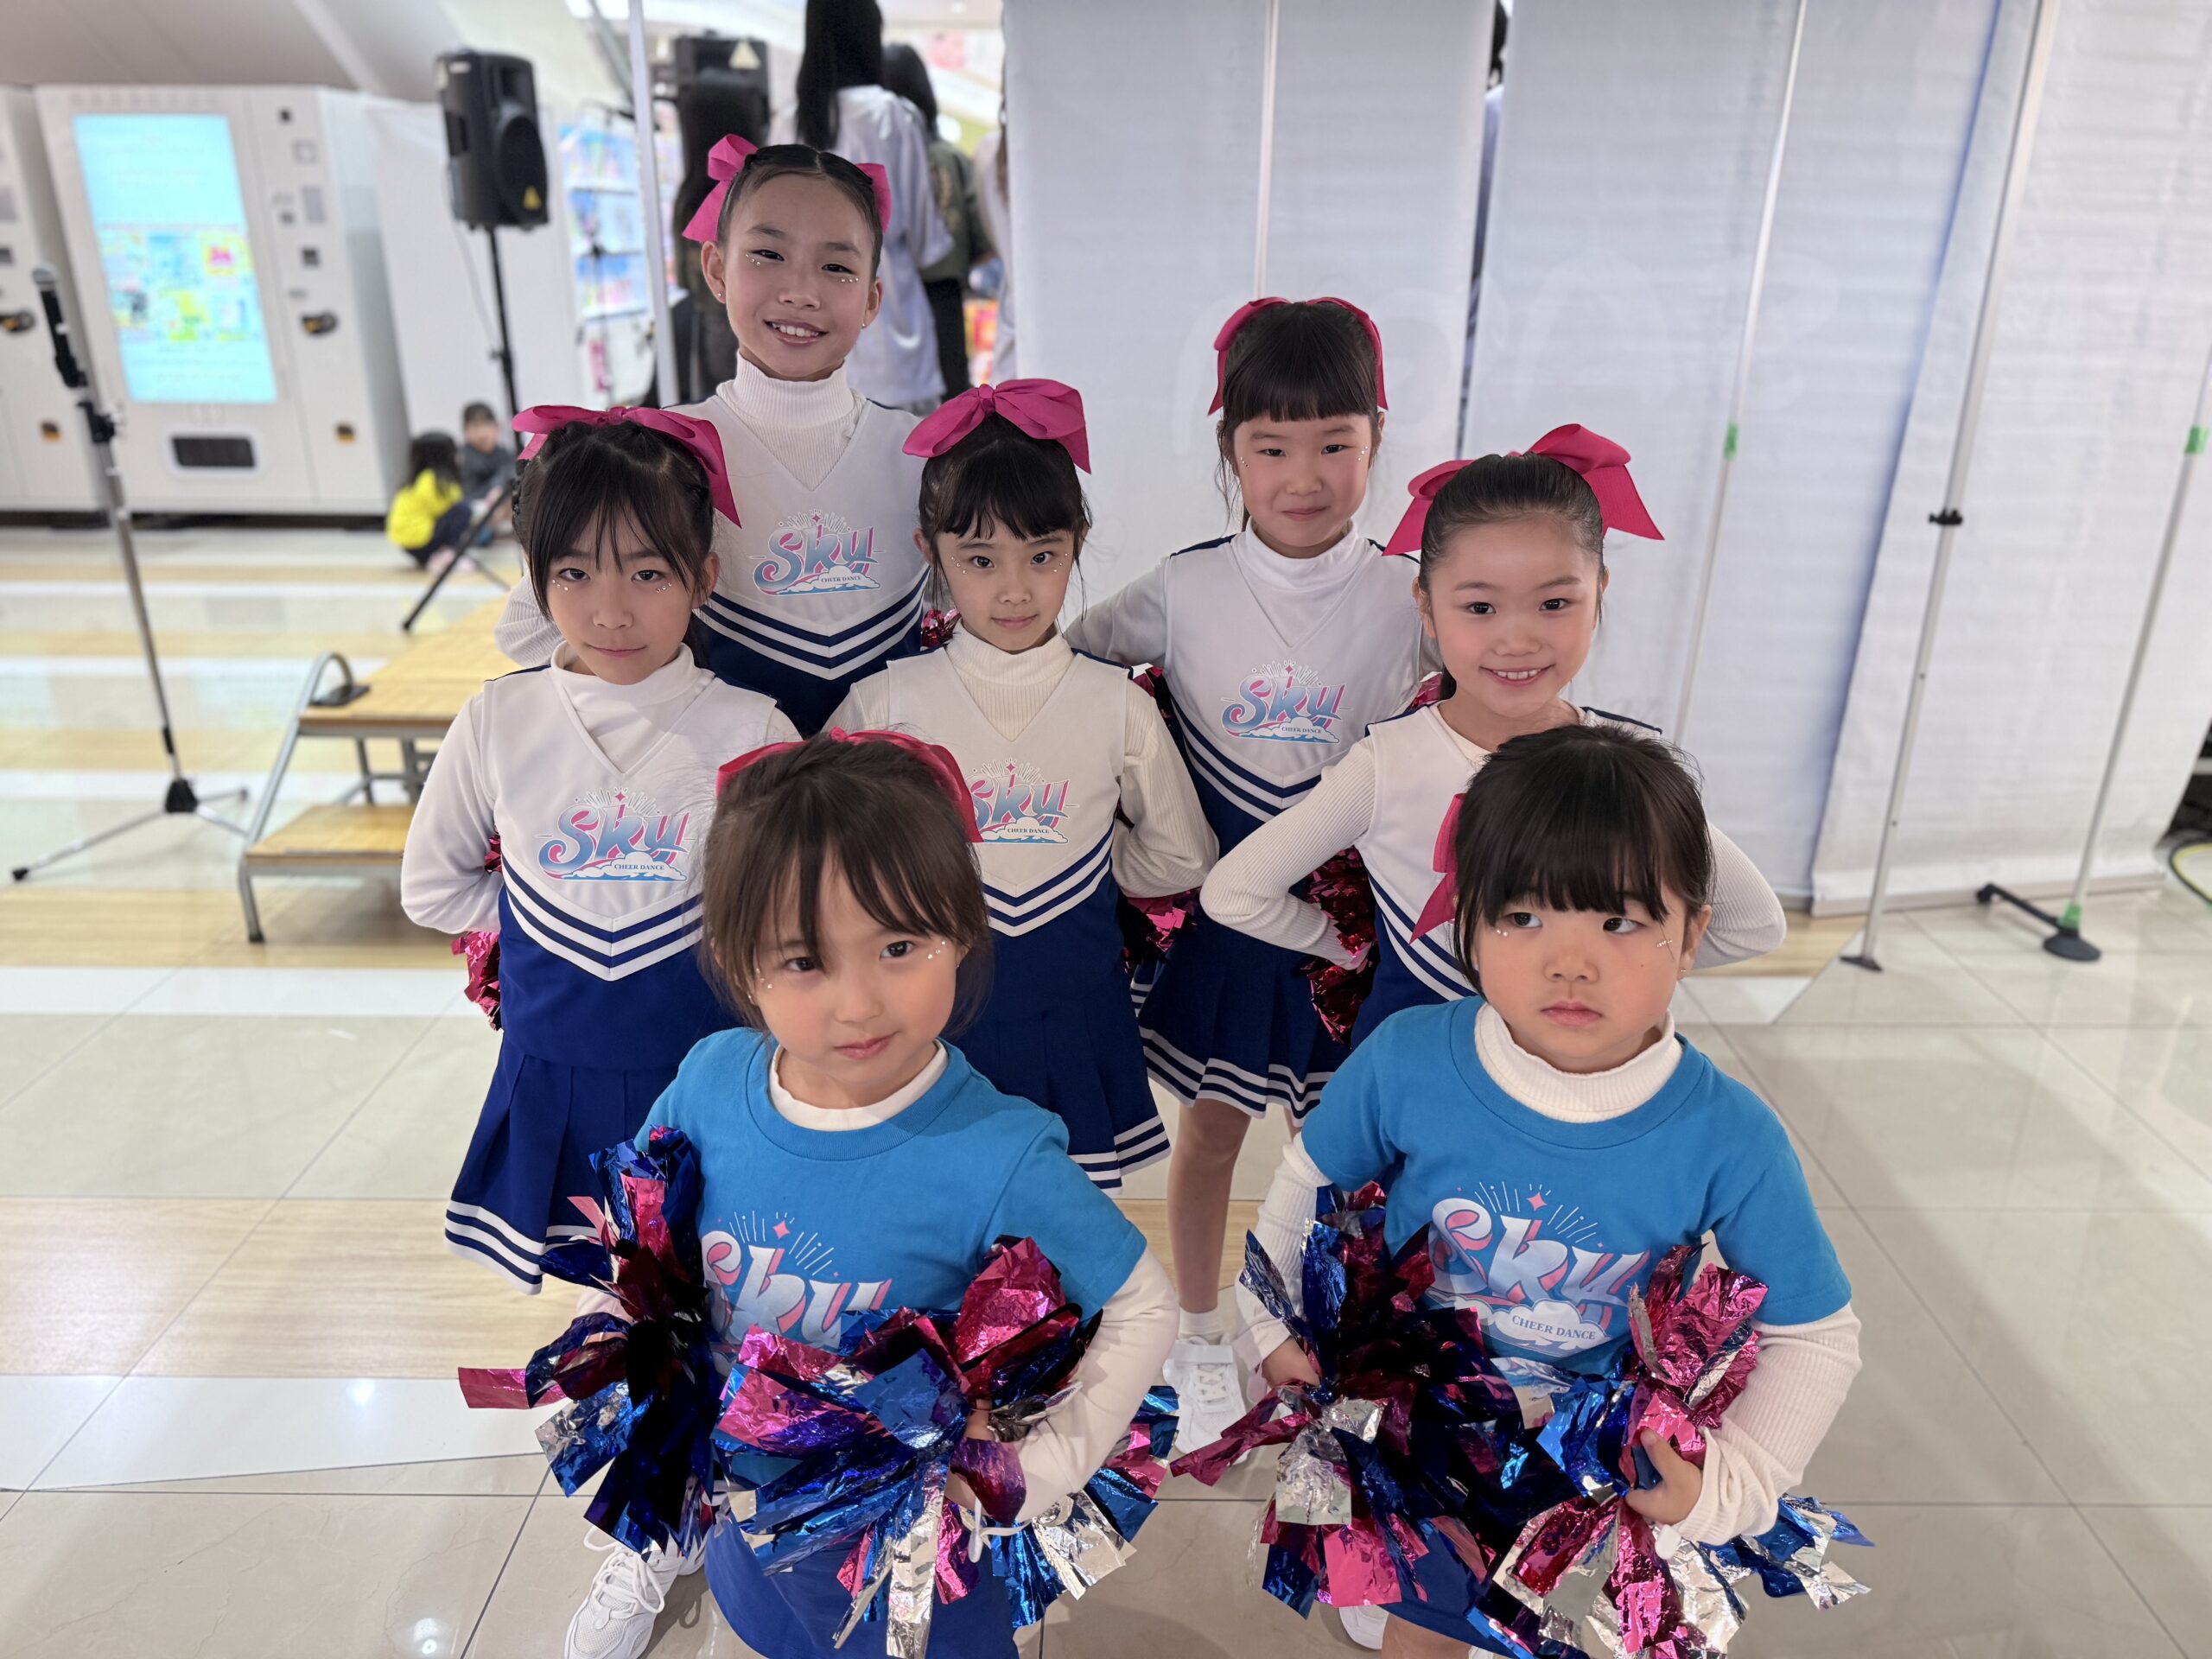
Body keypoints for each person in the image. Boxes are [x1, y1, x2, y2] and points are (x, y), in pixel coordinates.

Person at [1239, 722, 1860, 1657]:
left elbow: (1815, 1334)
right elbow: (1304, 1187)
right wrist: (1271, 1329)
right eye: (1523, 917)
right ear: (1469, 924)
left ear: (1692, 935)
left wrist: (1732, 1485)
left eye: (1619, 921)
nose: (1570, 962)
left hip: (1577, 1462)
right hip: (1411, 1428)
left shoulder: (1729, 1136)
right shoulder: (1408, 1060)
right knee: (1419, 1633)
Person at [566, 731, 1177, 1659]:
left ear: (961, 930)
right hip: (742, 1502)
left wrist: (1035, 1470)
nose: (857, 1005)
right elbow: (638, 1237)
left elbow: (1142, 1304)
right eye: (803, 961)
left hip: (900, 1555)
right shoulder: (709, 1080)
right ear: (738, 961)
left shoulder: (1000, 1154)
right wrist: (623, 1355)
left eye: (899, 946)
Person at [1063, 297, 1433, 1452]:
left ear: (1378, 437)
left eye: (1335, 443)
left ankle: (1334, 1350)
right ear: (1230, 450)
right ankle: (1197, 1330)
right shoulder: (1185, 587)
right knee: (1214, 1133)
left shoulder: (1411, 593)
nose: (1303, 476)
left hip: (1352, 931)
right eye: (1271, 447)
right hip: (1224, 926)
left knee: (1350, 1159)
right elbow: (1066, 663)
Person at [1199, 429, 1785, 1048]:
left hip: (1573, 1070)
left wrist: (1627, 974)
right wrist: (1351, 948)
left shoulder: (1625, 764)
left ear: (1600, 593)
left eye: (1554, 603)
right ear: (1426, 605)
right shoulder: (1388, 765)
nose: (1518, 641)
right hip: (1415, 1064)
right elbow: (1236, 892)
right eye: (1480, 608)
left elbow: (1752, 923)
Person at [399, 408, 798, 1294]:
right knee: (600, 1293)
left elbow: (786, 914)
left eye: (648, 573)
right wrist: (545, 922)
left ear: (703, 577)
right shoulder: (498, 719)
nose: (610, 611)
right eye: (573, 573)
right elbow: (430, 886)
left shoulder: (755, 729)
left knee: (718, 1285)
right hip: (554, 1064)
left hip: (707, 1073)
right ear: (535, 578)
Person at [828, 381, 1214, 1189]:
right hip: (929, 1022)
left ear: (1078, 544)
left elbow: (1187, 856)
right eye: (980, 560)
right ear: (929, 551)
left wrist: (1091, 863)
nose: (1014, 589)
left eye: (1042, 556)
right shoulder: (884, 700)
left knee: (1069, 1221)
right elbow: (822, 851)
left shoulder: (1115, 702)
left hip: (1073, 1009)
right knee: (942, 1222)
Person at [495, 141, 932, 735]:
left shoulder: (923, 455)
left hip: (888, 784)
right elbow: (527, 628)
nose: (800, 291)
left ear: (872, 298)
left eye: (836, 267)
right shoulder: (661, 453)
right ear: (717, 269)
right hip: (716, 786)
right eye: (768, 254)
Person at [772, 0, 953, 409]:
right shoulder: (893, 116)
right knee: (903, 448)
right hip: (892, 334)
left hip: (807, 335)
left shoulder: (790, 121)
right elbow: (927, 241)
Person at [880, 41, 987, 397]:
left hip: (890, 297)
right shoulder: (951, 158)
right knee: (952, 401)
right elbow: (980, 238)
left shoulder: (875, 155)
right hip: (944, 295)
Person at [671, 71, 770, 402]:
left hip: (713, 329)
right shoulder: (766, 192)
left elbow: (686, 279)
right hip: (767, 327)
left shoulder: (692, 198)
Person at [385, 431, 469, 568]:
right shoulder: (436, 481)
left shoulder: (416, 480)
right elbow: (449, 507)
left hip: (407, 543)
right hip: (422, 541)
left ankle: (436, 555)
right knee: (462, 510)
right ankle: (445, 553)